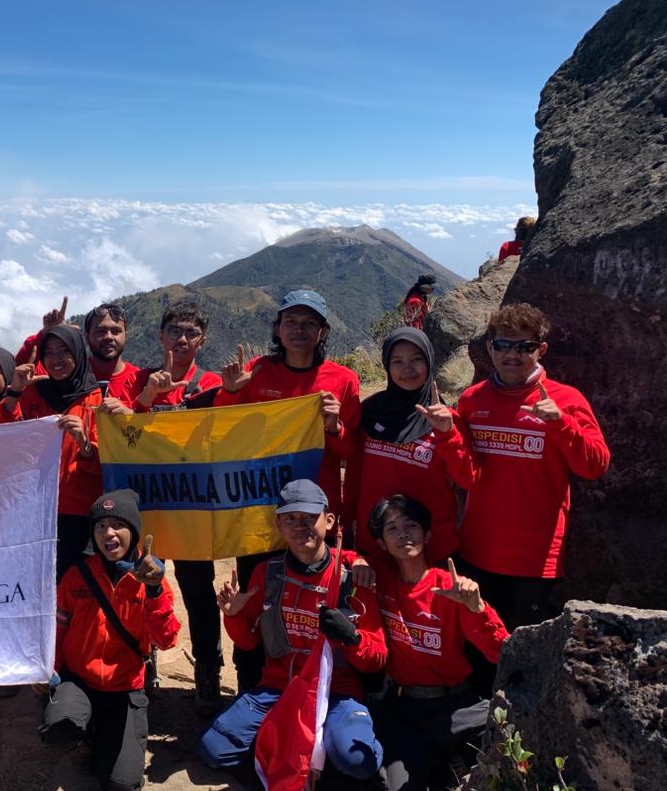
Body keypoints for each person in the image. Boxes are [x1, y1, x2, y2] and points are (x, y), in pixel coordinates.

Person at [212, 289, 361, 690]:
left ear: (323, 330)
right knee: (256, 603)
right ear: (278, 328)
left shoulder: (344, 380)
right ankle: (252, 688)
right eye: (291, 322)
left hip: (312, 518)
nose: (299, 330)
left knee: (312, 605)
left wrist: (333, 426)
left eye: (309, 323)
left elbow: (350, 449)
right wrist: (230, 392)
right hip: (258, 514)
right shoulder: (257, 372)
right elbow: (226, 436)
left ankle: (313, 688)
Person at [200, 480, 385, 787]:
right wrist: (232, 616)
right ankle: (296, 756)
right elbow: (249, 641)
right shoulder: (268, 574)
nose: (301, 527)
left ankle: (323, 752)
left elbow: (377, 659)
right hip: (278, 688)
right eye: (291, 519)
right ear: (279, 525)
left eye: (309, 518)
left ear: (328, 520)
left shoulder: (353, 579)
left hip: (335, 694)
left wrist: (352, 638)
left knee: (359, 761)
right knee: (213, 749)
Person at [454, 304, 609, 630]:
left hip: (535, 559)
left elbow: (595, 466)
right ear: (489, 348)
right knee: (477, 647)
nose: (513, 355)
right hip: (476, 550)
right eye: (503, 345)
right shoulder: (471, 400)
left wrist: (560, 423)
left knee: (520, 655)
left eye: (524, 346)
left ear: (541, 350)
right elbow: (461, 470)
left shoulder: (566, 400)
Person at [355, 495, 508, 791]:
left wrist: (475, 608)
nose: (402, 534)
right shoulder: (379, 579)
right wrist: (357, 559)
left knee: (504, 754)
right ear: (381, 542)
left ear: (427, 535)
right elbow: (333, 558)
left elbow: (500, 650)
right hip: (408, 708)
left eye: (411, 525)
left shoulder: (451, 587)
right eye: (392, 528)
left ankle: (450, 764)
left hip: (460, 704)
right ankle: (438, 769)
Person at [41, 489, 180, 791]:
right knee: (58, 726)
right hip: (80, 680)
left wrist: (155, 592)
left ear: (133, 531)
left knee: (123, 787)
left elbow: (167, 640)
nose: (109, 533)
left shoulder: (150, 579)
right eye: (101, 526)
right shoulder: (76, 576)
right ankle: (85, 732)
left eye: (118, 524)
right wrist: (50, 669)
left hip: (124, 687)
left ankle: (105, 730)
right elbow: (59, 630)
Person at [125, 301, 227, 715]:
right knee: (145, 584)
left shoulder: (213, 381)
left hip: (193, 506)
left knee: (198, 590)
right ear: (160, 335)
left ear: (201, 340)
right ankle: (144, 661)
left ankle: (208, 671)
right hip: (149, 503)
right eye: (175, 331)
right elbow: (123, 431)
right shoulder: (142, 379)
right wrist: (148, 398)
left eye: (191, 333)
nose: (182, 339)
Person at [343, 327, 475, 565]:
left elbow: (467, 478)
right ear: (387, 366)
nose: (407, 369)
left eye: (416, 360)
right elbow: (355, 476)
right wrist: (348, 523)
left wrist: (447, 433)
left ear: (429, 362)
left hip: (430, 549)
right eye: (397, 361)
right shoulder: (372, 411)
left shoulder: (445, 418)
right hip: (377, 544)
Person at [0, 324, 106, 582]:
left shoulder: (96, 398)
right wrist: (14, 392)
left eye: (64, 352)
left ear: (78, 354)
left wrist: (85, 444)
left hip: (79, 514)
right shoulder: (33, 393)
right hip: (35, 510)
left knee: (76, 589)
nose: (56, 360)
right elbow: (2, 439)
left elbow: (104, 466)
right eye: (50, 352)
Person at [15, 300, 142, 406]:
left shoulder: (142, 380)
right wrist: (48, 334)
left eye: (116, 331)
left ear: (126, 336)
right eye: (100, 331)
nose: (109, 337)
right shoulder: (67, 373)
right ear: (86, 336)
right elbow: (19, 368)